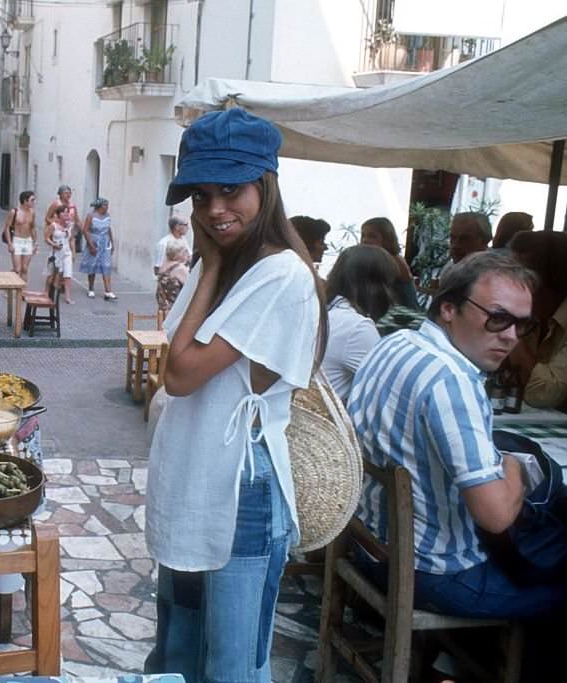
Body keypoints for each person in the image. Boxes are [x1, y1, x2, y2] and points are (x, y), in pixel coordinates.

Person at [145, 108, 326, 683]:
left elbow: (180, 372)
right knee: (179, 647)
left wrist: (214, 261)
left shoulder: (280, 275)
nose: (215, 209)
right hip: (198, 475)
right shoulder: (224, 264)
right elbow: (171, 358)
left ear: (264, 186)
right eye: (201, 196)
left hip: (240, 488)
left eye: (230, 190)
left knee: (230, 662)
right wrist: (213, 265)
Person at [348, 251, 567, 624]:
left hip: (367, 547)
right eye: (497, 319)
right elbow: (495, 516)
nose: (511, 337)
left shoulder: (396, 342)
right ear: (448, 308)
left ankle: (452, 661)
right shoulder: (452, 380)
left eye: (521, 325)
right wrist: (512, 468)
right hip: (434, 574)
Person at [322, 245, 396, 403]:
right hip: (326, 422)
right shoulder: (357, 328)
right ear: (377, 286)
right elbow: (387, 388)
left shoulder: (325, 310)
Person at [508, 230, 567, 408]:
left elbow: (544, 396)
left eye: (520, 277)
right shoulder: (531, 314)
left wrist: (510, 330)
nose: (511, 284)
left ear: (552, 280)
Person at [360, 217, 418, 308]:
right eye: (363, 235)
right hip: (387, 313)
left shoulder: (393, 260)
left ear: (387, 239)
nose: (364, 240)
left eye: (372, 236)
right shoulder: (376, 257)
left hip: (405, 316)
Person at [79, 197, 117, 300]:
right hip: (95, 242)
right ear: (100, 206)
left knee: (106, 265)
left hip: (105, 243)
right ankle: (91, 289)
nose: (107, 207)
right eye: (105, 205)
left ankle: (108, 291)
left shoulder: (107, 216)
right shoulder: (91, 216)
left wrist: (112, 243)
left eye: (107, 205)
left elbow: (108, 229)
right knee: (93, 265)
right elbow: (85, 230)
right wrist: (91, 245)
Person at [438, 211, 491, 279]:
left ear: (484, 241)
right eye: (453, 238)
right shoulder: (450, 269)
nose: (455, 245)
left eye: (464, 239)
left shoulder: (494, 276)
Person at [2, 191, 38, 281]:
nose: (34, 202)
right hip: (17, 241)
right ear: (25, 201)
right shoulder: (14, 212)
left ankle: (21, 292)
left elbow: (33, 227)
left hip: (28, 241)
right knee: (17, 269)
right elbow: (7, 228)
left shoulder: (32, 212)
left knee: (25, 269)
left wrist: (35, 242)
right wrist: (10, 244)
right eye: (32, 200)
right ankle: (8, 284)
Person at [44, 203, 75, 303]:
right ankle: (46, 292)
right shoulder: (53, 225)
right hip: (56, 252)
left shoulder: (70, 225)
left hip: (67, 252)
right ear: (58, 214)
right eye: (64, 213)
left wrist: (73, 253)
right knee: (52, 275)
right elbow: (46, 238)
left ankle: (68, 297)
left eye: (67, 213)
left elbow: (71, 239)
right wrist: (54, 244)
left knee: (68, 274)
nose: (66, 215)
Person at [44, 185, 82, 253]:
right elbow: (47, 218)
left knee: (70, 251)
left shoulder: (72, 205)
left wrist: (81, 229)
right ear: (60, 194)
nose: (68, 195)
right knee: (59, 252)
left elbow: (77, 218)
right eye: (66, 193)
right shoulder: (56, 204)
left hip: (70, 230)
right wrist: (56, 224)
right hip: (59, 231)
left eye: (70, 193)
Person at [155, 242, 189, 313]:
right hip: (176, 309)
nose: (187, 255)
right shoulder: (180, 268)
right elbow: (191, 287)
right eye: (185, 252)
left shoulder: (164, 266)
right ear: (179, 254)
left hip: (163, 307)